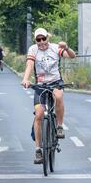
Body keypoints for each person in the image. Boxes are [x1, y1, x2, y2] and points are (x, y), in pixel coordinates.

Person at [22, 28, 76, 164]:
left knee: (58, 96)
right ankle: (38, 150)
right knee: (39, 114)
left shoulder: (55, 48)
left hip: (55, 82)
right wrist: (26, 79)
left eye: (43, 39)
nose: (41, 42)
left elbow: (71, 56)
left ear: (47, 38)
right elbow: (29, 64)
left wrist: (67, 48)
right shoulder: (33, 49)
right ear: (36, 40)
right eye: (38, 40)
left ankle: (59, 126)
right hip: (40, 85)